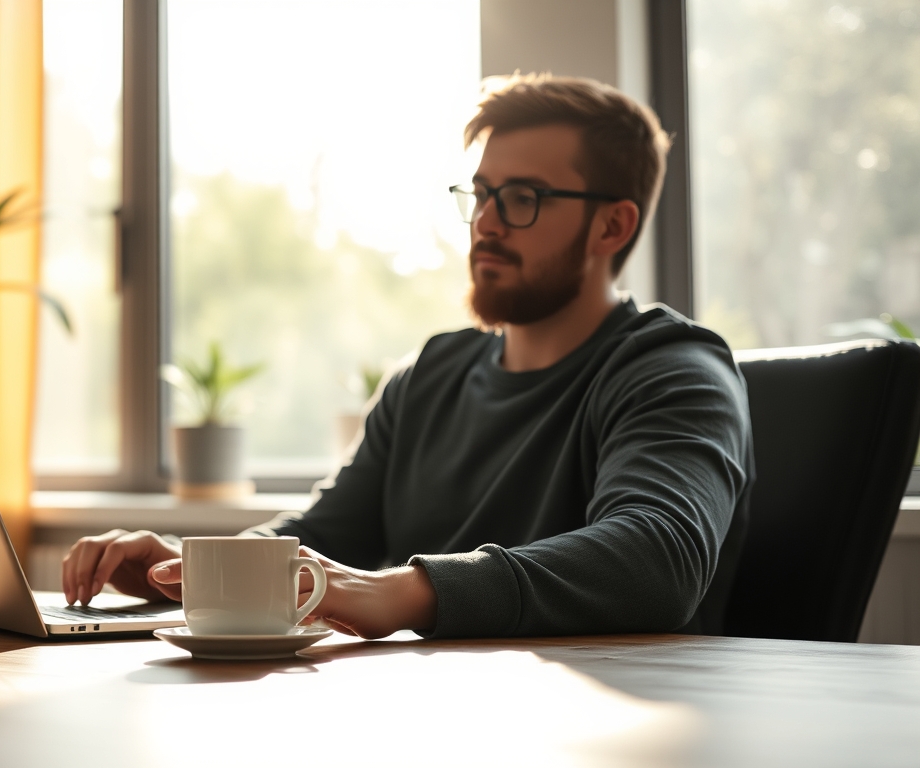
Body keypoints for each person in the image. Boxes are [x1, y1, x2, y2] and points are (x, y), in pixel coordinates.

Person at [61, 73, 753, 640]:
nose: (484, 223)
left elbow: (658, 559)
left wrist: (403, 592)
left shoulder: (673, 370)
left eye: (522, 199)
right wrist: (189, 567)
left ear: (613, 224)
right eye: (481, 195)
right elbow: (325, 537)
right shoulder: (430, 376)